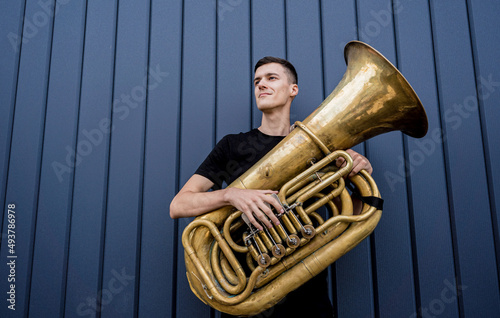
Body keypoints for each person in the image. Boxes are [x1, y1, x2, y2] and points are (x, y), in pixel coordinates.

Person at [170, 56, 373, 317]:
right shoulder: (233, 146)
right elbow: (178, 205)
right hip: (248, 291)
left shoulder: (322, 149)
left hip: (309, 295)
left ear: (293, 90)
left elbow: (349, 216)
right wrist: (232, 195)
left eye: (271, 78)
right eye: (257, 81)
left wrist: (357, 175)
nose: (261, 85)